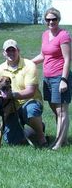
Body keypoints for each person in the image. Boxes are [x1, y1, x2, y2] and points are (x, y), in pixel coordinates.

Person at [0, 39, 48, 147]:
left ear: (18, 51)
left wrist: (13, 95)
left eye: (13, 50)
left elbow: (31, 91)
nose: (10, 53)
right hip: (10, 108)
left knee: (31, 111)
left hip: (29, 102)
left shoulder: (29, 65)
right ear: (3, 53)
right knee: (12, 141)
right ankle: (29, 131)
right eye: (8, 51)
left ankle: (41, 135)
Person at [31, 8, 70, 150]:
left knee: (61, 111)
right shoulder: (45, 35)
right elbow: (43, 55)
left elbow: (67, 59)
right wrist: (29, 62)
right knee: (55, 109)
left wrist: (64, 80)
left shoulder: (63, 35)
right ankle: (64, 139)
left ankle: (58, 144)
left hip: (59, 77)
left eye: (54, 19)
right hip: (47, 78)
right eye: (48, 19)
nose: (51, 22)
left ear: (58, 20)